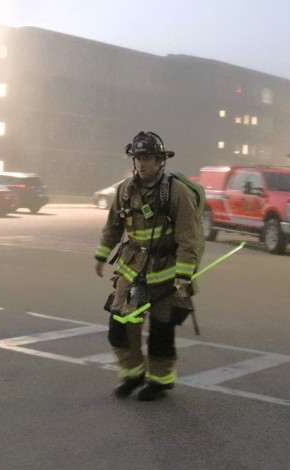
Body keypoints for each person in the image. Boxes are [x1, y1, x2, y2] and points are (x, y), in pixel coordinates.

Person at [94, 131, 204, 401]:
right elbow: (113, 226)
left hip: (167, 276)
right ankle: (132, 374)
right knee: (120, 326)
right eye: (138, 158)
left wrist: (183, 275)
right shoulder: (125, 190)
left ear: (160, 161)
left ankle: (159, 381)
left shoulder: (175, 192)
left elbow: (190, 237)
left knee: (161, 333)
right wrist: (101, 255)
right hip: (131, 272)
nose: (142, 164)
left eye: (148, 158)